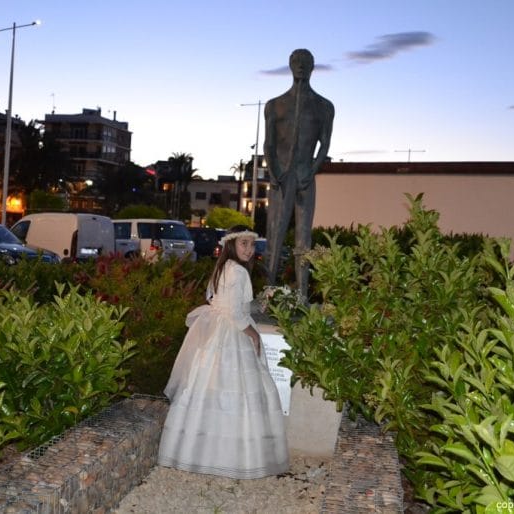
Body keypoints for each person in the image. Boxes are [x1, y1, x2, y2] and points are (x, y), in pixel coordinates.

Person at [158, 225, 289, 479]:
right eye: (243, 244)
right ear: (231, 244)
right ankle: (236, 457)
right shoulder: (238, 271)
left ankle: (198, 452)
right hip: (231, 331)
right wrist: (252, 334)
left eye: (252, 244)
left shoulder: (223, 267)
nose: (249, 249)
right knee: (238, 390)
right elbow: (235, 313)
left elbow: (217, 299)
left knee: (207, 386)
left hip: (216, 331)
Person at [264, 48, 334, 298]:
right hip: (282, 177)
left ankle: (302, 294)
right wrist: (275, 173)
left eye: (306, 62)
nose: (301, 65)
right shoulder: (275, 105)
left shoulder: (324, 107)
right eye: (297, 61)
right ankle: (268, 291)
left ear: (313, 66)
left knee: (304, 237)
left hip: (305, 176)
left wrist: (312, 171)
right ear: (290, 65)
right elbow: (269, 144)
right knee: (275, 234)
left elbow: (324, 145)